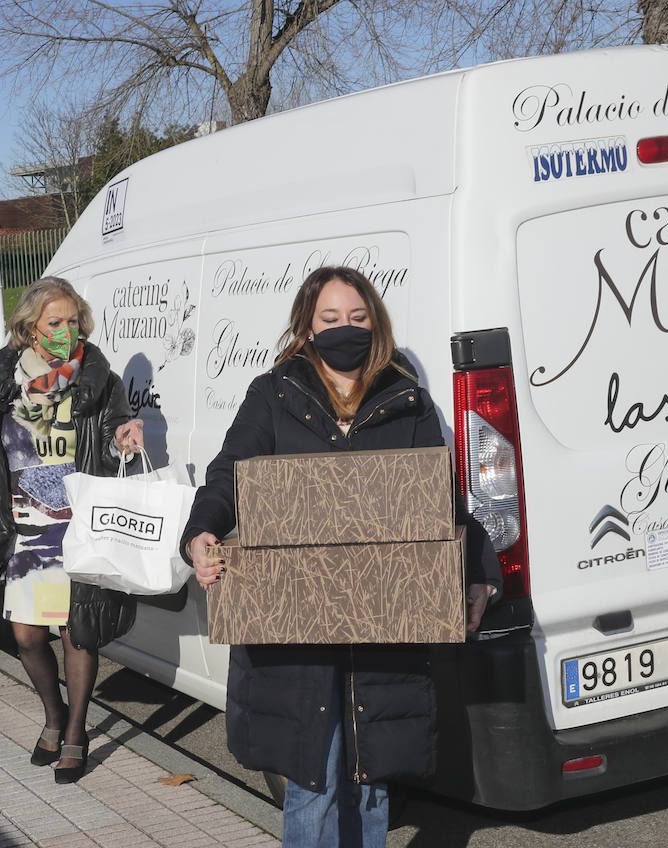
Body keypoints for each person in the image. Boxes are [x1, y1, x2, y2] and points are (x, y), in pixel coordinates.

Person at [180, 266, 502, 848]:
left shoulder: (406, 400)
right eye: (330, 319)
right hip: (294, 628)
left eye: (357, 318)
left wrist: (479, 573)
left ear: (375, 323)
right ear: (307, 326)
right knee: (312, 782)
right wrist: (201, 532)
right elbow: (230, 473)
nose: (344, 329)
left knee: (371, 781)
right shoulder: (274, 394)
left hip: (384, 626)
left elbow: (444, 499)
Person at [0, 276, 144, 783]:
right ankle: (53, 715)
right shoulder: (3, 384)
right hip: (26, 526)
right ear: (28, 329)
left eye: (73, 321)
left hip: (79, 525)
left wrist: (127, 435)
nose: (66, 331)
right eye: (55, 323)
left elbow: (116, 435)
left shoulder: (98, 380)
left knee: (77, 631)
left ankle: (74, 732)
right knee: (25, 635)